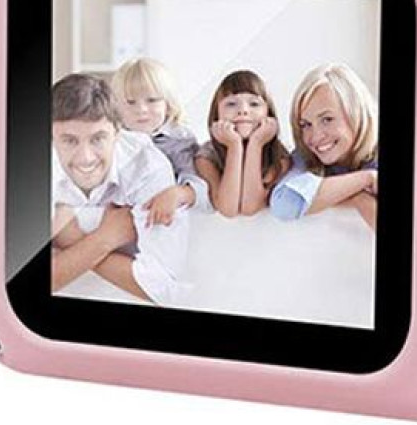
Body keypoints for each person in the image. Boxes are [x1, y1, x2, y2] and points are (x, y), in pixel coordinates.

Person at [50, 73, 188, 305]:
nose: (85, 157)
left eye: (98, 139)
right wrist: (105, 239)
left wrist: (70, 242)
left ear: (117, 132)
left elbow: (164, 287)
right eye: (69, 141)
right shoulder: (32, 164)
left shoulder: (147, 167)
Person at [270, 64, 378, 229]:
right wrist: (363, 185)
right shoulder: (305, 158)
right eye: (306, 124)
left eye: (327, 119)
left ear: (356, 113)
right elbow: (284, 205)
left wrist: (338, 194)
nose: (316, 137)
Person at [111, 57, 209, 226]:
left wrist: (176, 194)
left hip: (160, 220)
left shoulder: (178, 140)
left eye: (152, 100)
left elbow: (201, 192)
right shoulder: (114, 140)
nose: (141, 109)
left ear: (168, 104)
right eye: (131, 102)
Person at [194, 70, 291, 217]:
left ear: (268, 113)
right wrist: (234, 146)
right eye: (231, 104)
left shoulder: (279, 156)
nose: (243, 111)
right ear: (216, 114)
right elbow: (228, 209)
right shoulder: (206, 156)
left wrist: (256, 144)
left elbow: (250, 207)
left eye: (254, 104)